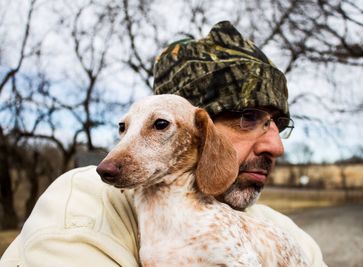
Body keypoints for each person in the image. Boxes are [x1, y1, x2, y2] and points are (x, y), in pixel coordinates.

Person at [1, 21, 326, 267]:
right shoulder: (81, 206)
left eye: (278, 125)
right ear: (197, 129)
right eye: (248, 117)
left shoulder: (288, 232)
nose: (276, 146)